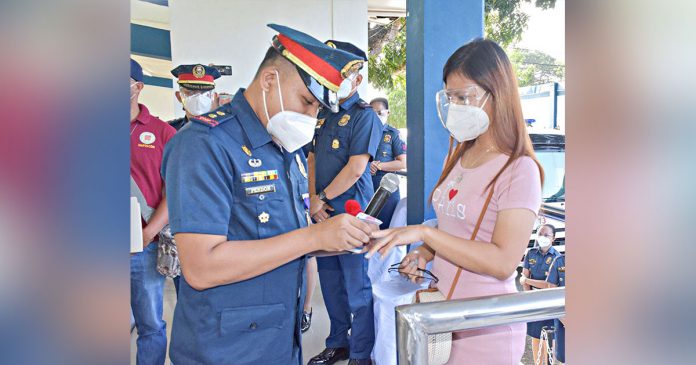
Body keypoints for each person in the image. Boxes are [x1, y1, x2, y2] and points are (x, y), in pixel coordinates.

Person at [161, 24, 376, 365]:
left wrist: (341, 236)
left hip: (276, 340)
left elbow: (281, 239)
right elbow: (201, 267)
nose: (310, 116)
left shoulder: (281, 147)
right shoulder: (204, 145)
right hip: (225, 349)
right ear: (269, 81)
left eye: (317, 110)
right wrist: (313, 236)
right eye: (306, 101)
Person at [366, 39, 544, 365]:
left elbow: (503, 261)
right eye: (451, 98)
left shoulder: (520, 169)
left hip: (485, 325)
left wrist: (426, 235)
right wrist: (424, 253)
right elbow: (457, 228)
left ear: (498, 94)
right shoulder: (462, 152)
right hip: (443, 314)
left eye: (464, 97)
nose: (457, 107)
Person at [306, 40, 382, 365]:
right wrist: (313, 199)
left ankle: (361, 354)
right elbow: (311, 159)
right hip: (322, 215)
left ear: (357, 79)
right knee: (332, 285)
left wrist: (322, 197)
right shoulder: (322, 115)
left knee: (358, 291)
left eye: (340, 76)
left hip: (353, 216)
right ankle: (338, 342)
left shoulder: (365, 117)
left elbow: (356, 169)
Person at [130, 58, 176, 365]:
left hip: (142, 247)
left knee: (150, 324)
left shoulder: (163, 134)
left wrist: (148, 233)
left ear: (138, 87)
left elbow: (173, 193)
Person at [521, 223, 560, 365]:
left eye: (546, 235)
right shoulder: (531, 253)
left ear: (553, 238)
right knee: (535, 337)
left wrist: (527, 280)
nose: (542, 237)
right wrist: (528, 296)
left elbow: (549, 284)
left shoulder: (557, 257)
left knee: (548, 340)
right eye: (540, 234)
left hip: (548, 300)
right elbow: (523, 277)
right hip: (533, 300)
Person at [369, 97, 406, 229]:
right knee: (365, 228)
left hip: (387, 188)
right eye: (373, 113)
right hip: (366, 186)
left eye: (380, 112)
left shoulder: (393, 134)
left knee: (386, 228)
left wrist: (378, 166)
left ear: (388, 113)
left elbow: (402, 163)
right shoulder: (363, 133)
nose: (377, 116)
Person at [168, 64, 222, 131]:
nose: (198, 98)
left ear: (214, 97)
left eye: (204, 93)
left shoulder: (225, 130)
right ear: (179, 97)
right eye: (191, 92)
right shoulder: (170, 130)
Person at [546, 254, 566, 364]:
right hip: (563, 316)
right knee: (564, 357)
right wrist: (564, 319)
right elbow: (551, 292)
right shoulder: (559, 261)